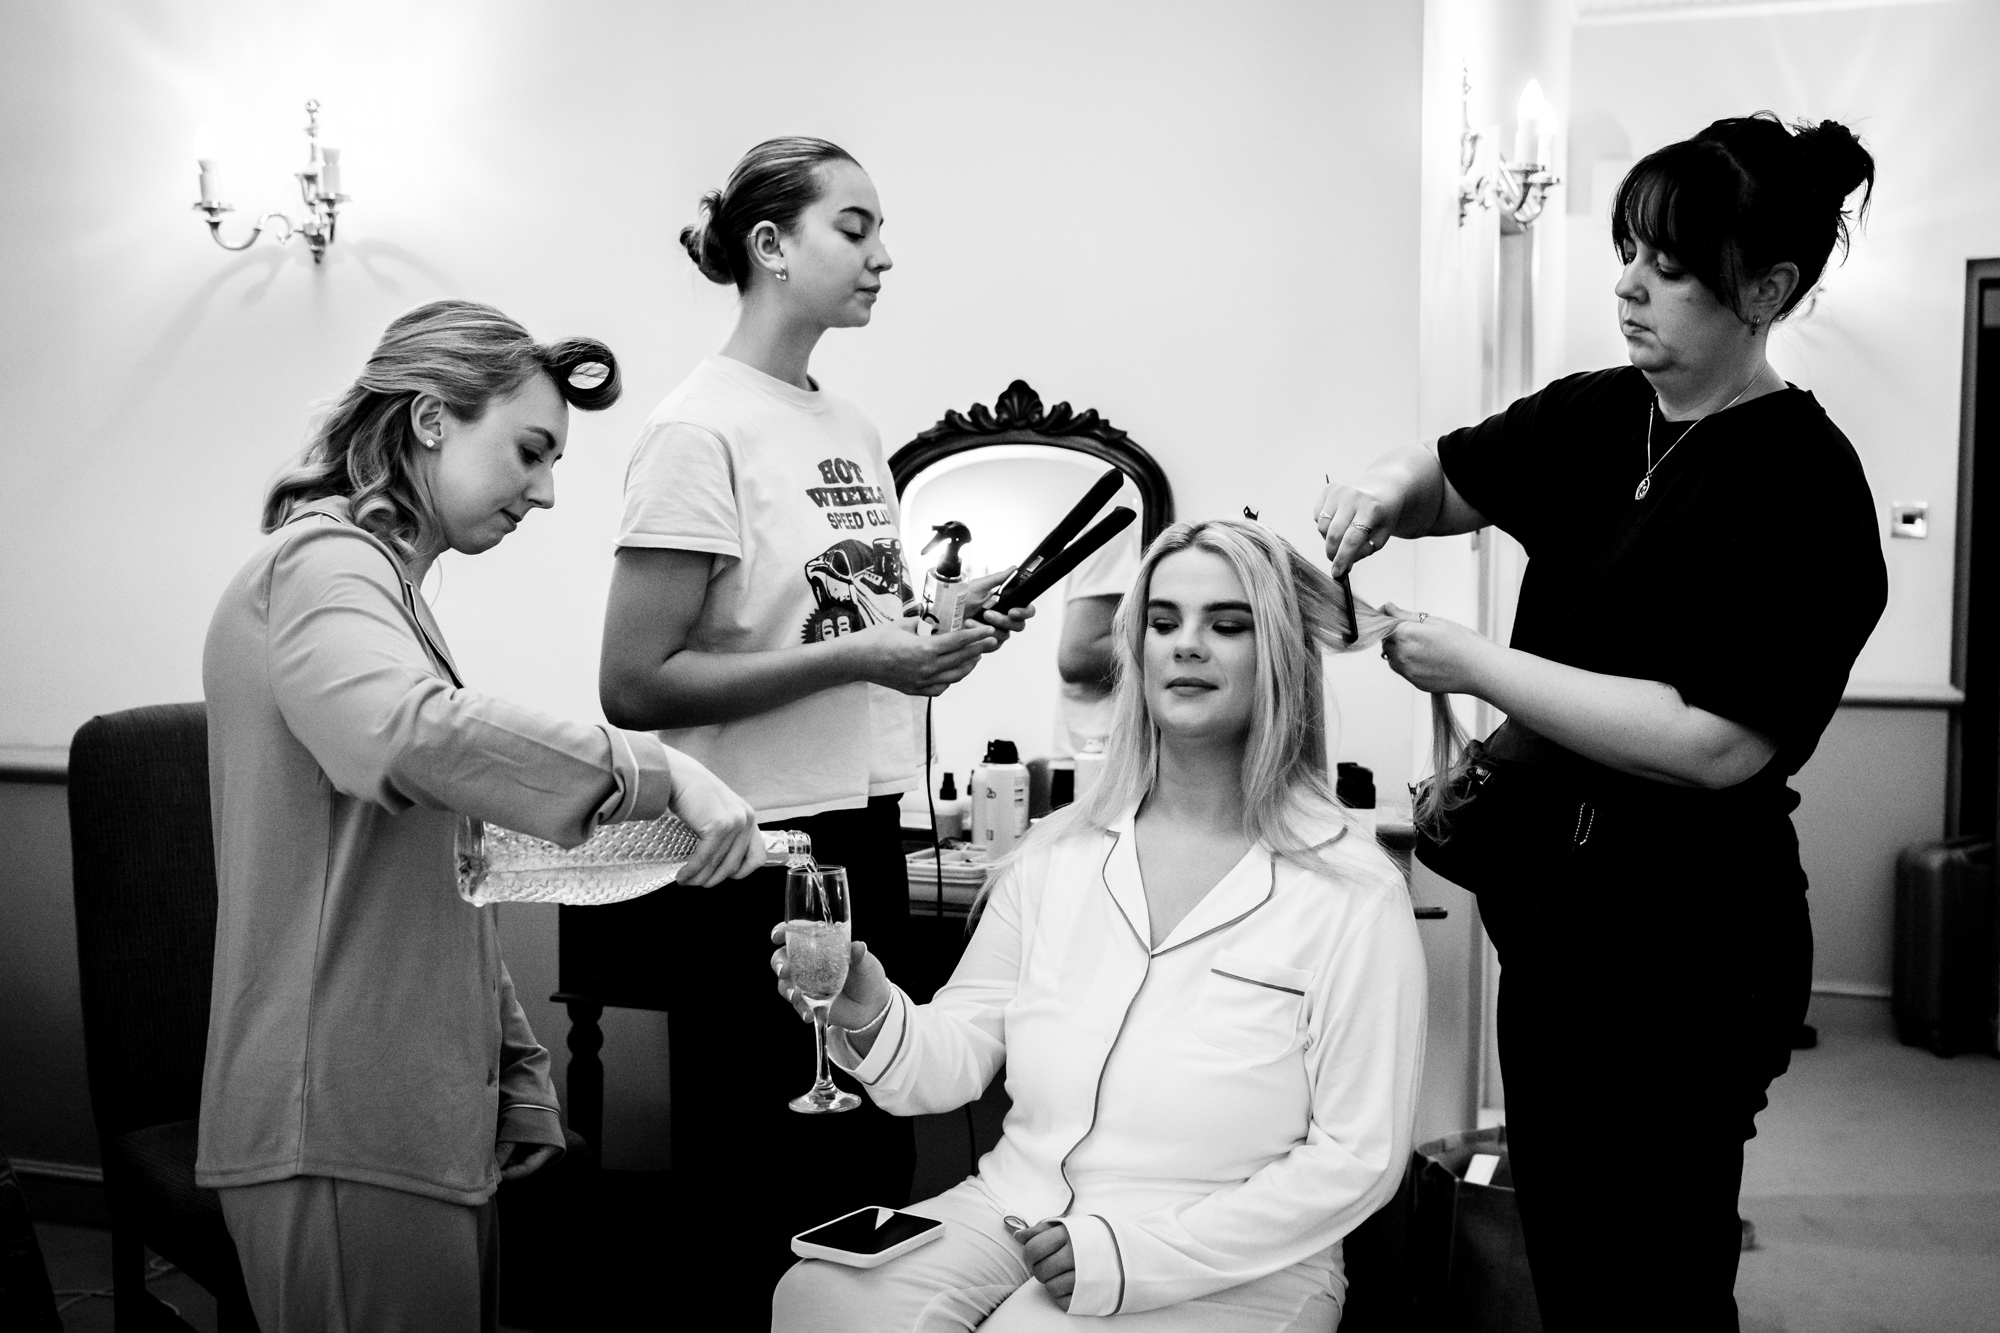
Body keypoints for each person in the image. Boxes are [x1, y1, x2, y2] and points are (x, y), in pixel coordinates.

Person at [1316, 114, 1883, 1331]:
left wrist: (1473, 662)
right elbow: (1443, 475)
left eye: (1669, 268)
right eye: (1625, 249)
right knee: (1570, 1253)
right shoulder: (1593, 415)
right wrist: (1378, 491)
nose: (1627, 284)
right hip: (1558, 921)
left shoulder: (1800, 481)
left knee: (1654, 1276)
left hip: (1687, 947)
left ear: (1766, 288)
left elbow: (1712, 739)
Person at [200, 299, 766, 1332]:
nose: (546, 492)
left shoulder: (385, 595)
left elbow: (434, 869)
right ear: (428, 420)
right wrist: (650, 768)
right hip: (335, 1111)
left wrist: (506, 1067)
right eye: (530, 451)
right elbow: (405, 733)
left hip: (404, 1102)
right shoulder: (321, 564)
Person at [770, 519, 1427, 1331]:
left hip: (1230, 1250)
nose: (1185, 645)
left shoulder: (1352, 889)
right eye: (1162, 622)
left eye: (1226, 625)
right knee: (820, 1298)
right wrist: (870, 1009)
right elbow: (948, 1063)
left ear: (1284, 656)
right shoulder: (1058, 852)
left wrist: (1131, 1256)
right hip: (1015, 1203)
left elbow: (1355, 1159)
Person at [596, 137, 1028, 1283]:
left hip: (863, 827)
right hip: (752, 846)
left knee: (864, 1179)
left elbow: (842, 633)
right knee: (766, 1183)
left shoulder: (853, 432)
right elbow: (633, 682)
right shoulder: (700, 430)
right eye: (857, 227)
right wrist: (861, 661)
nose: (884, 255)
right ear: (770, 246)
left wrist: (937, 628)